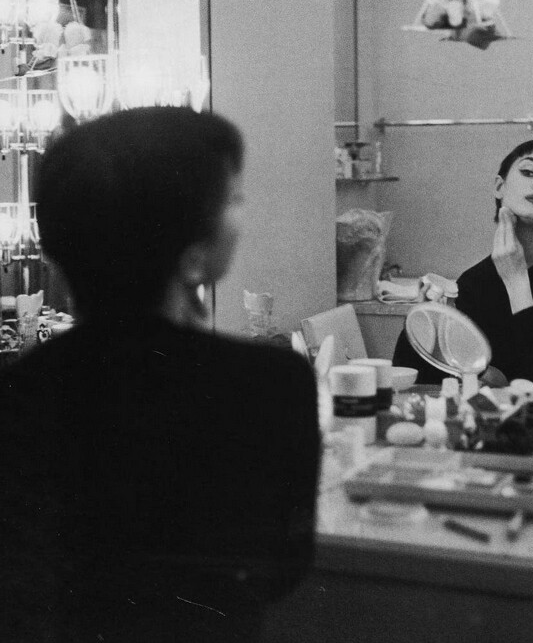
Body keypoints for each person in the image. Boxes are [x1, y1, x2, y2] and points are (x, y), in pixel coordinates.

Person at [1, 107, 320, 642]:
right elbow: (281, 567)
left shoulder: (20, 391)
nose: (241, 213)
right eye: (233, 200)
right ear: (194, 245)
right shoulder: (270, 383)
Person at [394, 139, 533, 395]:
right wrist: (428, 323)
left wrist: (517, 282)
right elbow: (412, 377)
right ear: (499, 187)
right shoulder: (474, 283)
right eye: (528, 172)